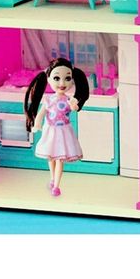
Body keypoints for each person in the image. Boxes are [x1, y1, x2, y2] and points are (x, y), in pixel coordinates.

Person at [23, 58, 90, 197]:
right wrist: (36, 124)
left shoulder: (69, 100)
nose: (62, 83)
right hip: (51, 131)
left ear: (72, 81)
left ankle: (56, 186)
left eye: (67, 78)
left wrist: (75, 105)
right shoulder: (48, 99)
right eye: (57, 78)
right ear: (48, 79)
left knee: (60, 159)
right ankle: (52, 178)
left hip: (64, 133)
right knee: (51, 158)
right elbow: (41, 114)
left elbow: (75, 109)